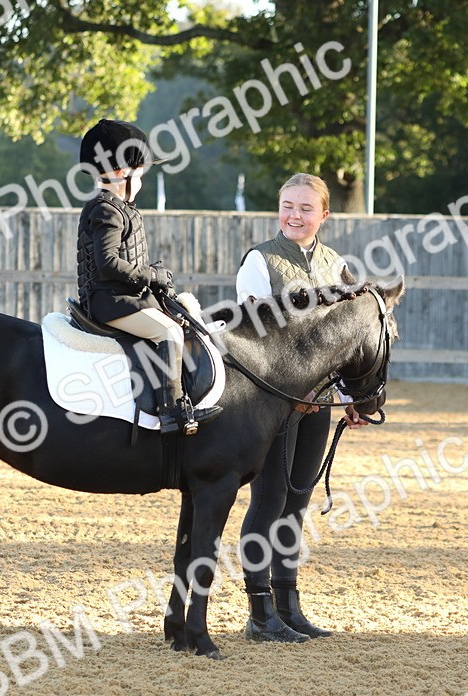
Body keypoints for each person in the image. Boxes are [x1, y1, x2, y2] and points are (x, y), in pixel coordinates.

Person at [235, 173, 367, 644]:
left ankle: (289, 607)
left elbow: (347, 341)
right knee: (269, 499)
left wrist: (349, 397)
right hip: (273, 403)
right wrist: (295, 391)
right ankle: (259, 613)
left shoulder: (336, 266)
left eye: (305, 208)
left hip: (321, 401)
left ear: (324, 214)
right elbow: (255, 336)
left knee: (297, 503)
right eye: (287, 205)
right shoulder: (260, 260)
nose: (294, 215)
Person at [75, 119, 220, 435]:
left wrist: (152, 276)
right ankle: (172, 412)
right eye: (138, 175)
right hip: (109, 301)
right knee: (168, 332)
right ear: (119, 173)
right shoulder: (106, 209)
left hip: (125, 296)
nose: (140, 182)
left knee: (182, 320)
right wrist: (151, 274)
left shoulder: (118, 207)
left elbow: (126, 259)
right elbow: (108, 263)